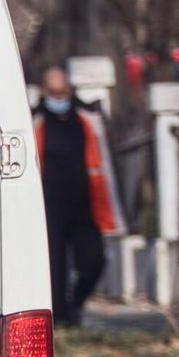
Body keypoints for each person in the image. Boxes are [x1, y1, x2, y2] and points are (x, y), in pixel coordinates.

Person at [33, 67, 123, 326]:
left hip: (84, 205)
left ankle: (77, 302)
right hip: (47, 208)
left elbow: (104, 162)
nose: (59, 98)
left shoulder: (87, 119)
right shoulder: (34, 121)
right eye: (53, 93)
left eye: (63, 92)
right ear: (44, 92)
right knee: (53, 269)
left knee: (94, 260)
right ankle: (62, 319)